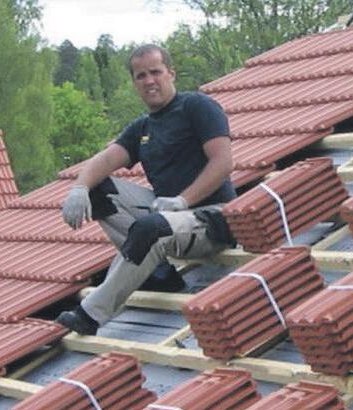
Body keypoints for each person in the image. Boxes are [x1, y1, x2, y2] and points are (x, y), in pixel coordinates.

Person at [56, 44, 236, 336]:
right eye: (141, 76)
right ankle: (159, 273)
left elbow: (223, 163)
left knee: (151, 229)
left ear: (171, 73)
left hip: (211, 218)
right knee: (97, 189)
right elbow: (105, 160)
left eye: (155, 72)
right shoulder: (143, 127)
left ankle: (90, 314)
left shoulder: (197, 107)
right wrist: (79, 188)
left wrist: (183, 200)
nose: (149, 81)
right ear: (134, 82)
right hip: (169, 213)